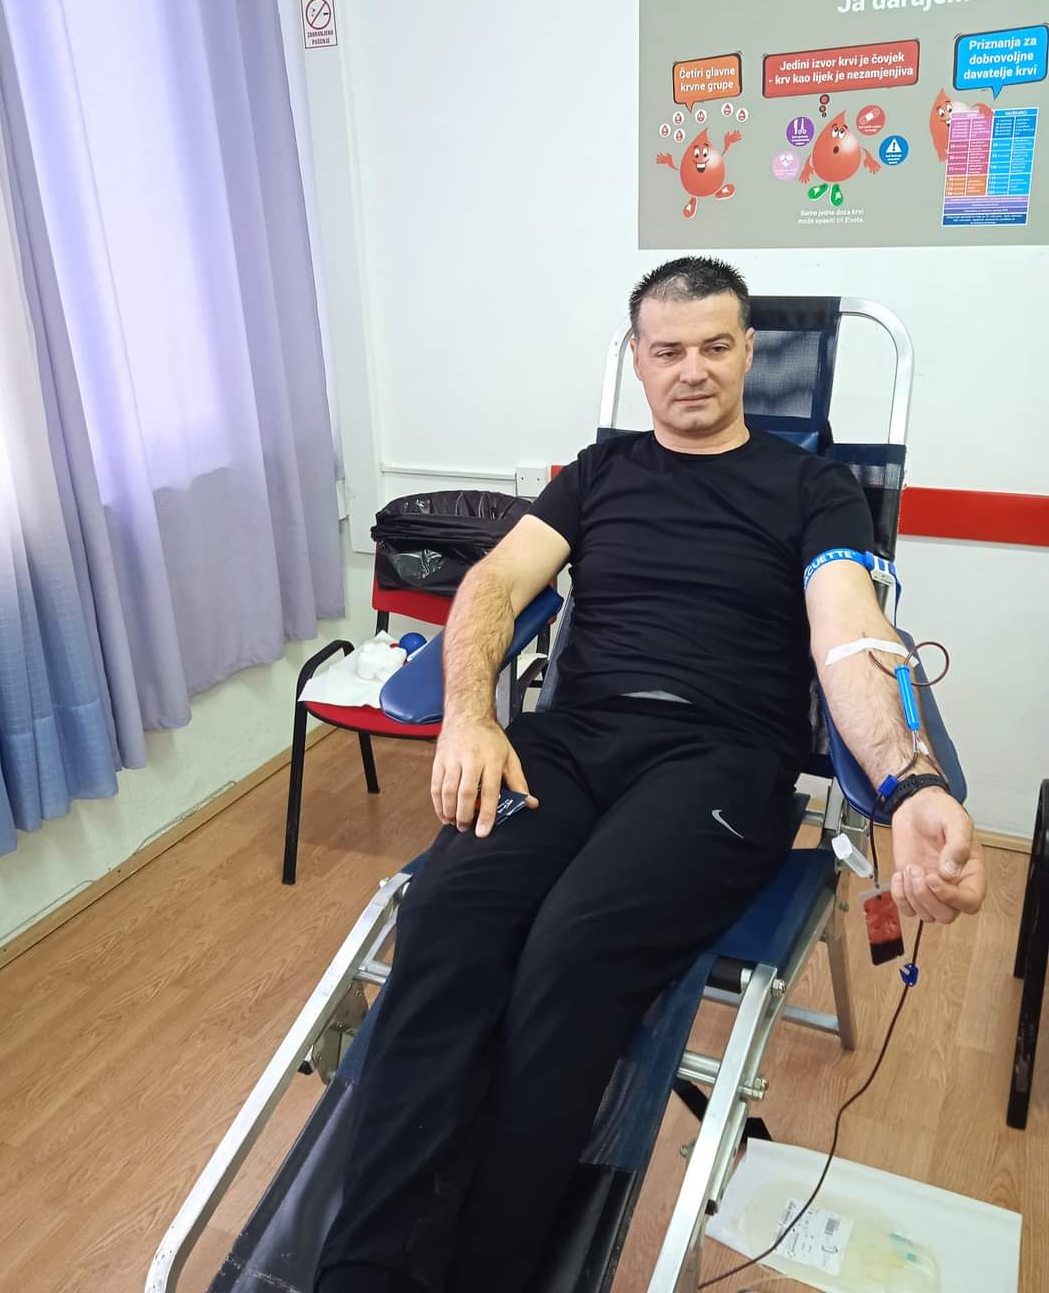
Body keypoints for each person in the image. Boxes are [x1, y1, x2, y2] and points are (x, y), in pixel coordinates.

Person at [316, 257, 986, 1293]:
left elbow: (850, 636)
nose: (692, 370)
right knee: (448, 914)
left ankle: (492, 1267)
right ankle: (363, 1270)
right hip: (573, 741)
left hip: (723, 762)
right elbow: (495, 583)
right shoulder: (598, 472)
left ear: (749, 354)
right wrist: (470, 718)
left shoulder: (814, 489)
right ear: (638, 360)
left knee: (572, 946)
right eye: (667, 350)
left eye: (716, 346)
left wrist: (910, 784)